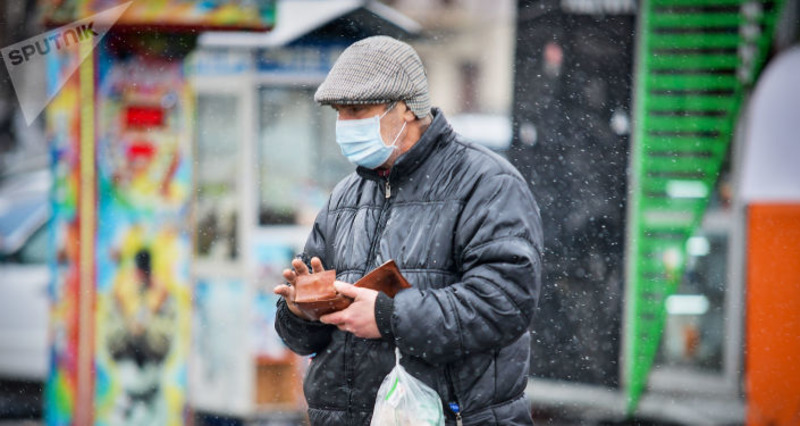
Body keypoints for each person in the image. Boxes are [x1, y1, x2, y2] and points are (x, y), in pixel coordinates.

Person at [273, 35, 543, 426]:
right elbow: (303, 340)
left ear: (407, 109)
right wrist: (301, 311)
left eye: (356, 110)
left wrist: (390, 316)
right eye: (339, 112)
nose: (344, 125)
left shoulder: (487, 184)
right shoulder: (345, 196)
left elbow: (504, 303)